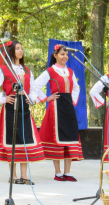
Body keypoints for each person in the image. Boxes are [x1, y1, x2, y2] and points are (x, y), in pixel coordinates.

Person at [0, 40, 45, 185]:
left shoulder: (27, 71)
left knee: (24, 139)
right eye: (17, 48)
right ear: (11, 51)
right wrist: (3, 98)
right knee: (12, 140)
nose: (20, 51)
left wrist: (31, 98)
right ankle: (13, 175)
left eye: (21, 48)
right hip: (10, 108)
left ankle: (24, 175)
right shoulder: (3, 70)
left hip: (24, 108)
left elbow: (34, 89)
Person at [35, 44, 83, 182]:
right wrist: (46, 98)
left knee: (69, 137)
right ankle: (58, 173)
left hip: (68, 107)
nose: (65, 57)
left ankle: (67, 172)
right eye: (62, 54)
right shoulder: (50, 71)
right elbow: (35, 86)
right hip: (56, 107)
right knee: (57, 139)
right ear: (55, 55)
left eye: (66, 54)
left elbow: (76, 89)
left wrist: (72, 101)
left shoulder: (71, 72)